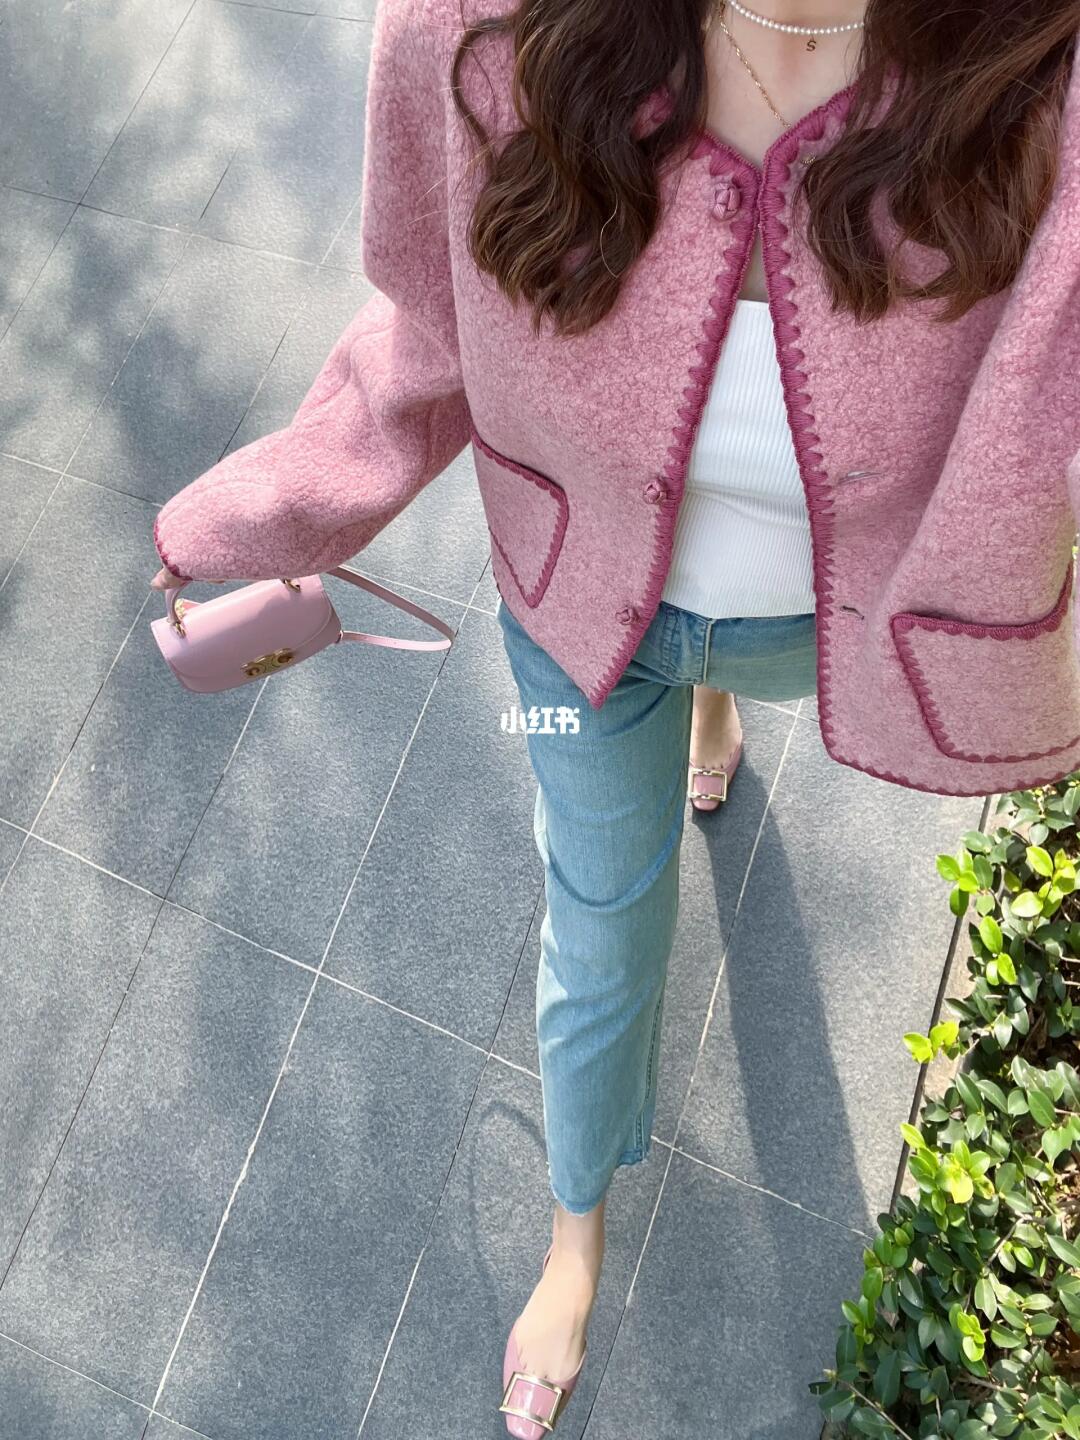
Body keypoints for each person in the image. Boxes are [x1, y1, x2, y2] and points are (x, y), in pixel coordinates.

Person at [150, 0, 1080, 1431]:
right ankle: (573, 1237)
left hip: (819, 633)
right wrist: (268, 509)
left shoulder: (1037, 79)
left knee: (715, 707)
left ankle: (717, 723)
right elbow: (430, 333)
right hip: (580, 624)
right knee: (598, 935)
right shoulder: (476, 29)